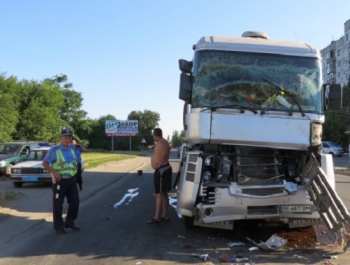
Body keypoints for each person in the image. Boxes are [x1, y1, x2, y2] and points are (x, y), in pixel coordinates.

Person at [43, 128, 81, 235]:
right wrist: (54, 172)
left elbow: (77, 162)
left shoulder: (73, 150)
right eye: (65, 137)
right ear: (61, 138)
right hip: (60, 182)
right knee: (58, 205)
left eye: (69, 137)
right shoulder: (54, 150)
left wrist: (76, 172)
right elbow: (45, 163)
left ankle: (69, 222)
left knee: (75, 202)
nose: (67, 139)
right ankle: (59, 227)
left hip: (71, 180)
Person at [147, 128, 172, 224]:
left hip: (162, 170)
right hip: (164, 169)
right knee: (163, 194)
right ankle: (165, 214)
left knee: (159, 194)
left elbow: (164, 154)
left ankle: (157, 217)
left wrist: (159, 164)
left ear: (155, 135)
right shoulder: (162, 142)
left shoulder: (161, 142)